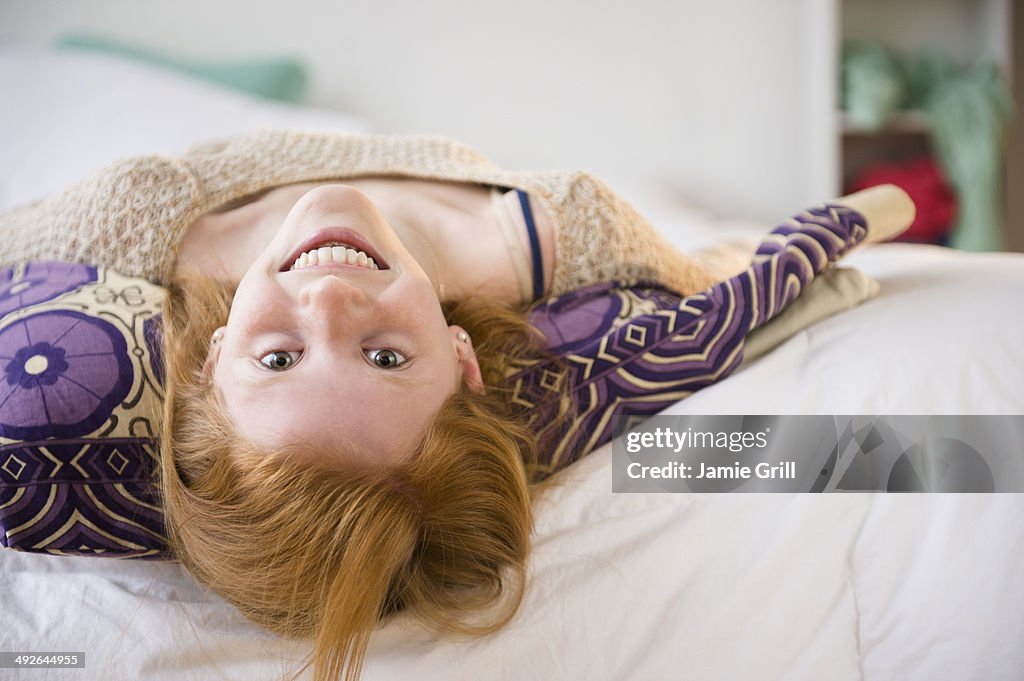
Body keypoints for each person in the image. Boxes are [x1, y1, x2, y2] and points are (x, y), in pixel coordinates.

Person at [0, 129, 913, 681]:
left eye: (278, 357)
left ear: (202, 366)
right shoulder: (544, 242)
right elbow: (741, 278)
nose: (327, 304)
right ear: (466, 358)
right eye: (387, 355)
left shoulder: (125, 234)